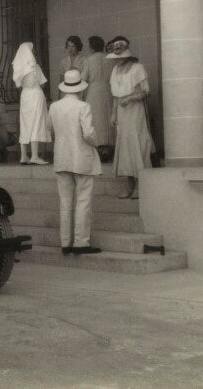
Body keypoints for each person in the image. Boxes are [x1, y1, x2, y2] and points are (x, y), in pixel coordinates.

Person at [49, 69, 102, 255]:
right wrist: (97, 143)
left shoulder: (54, 107)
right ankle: (81, 242)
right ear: (80, 88)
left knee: (65, 202)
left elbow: (50, 128)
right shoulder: (83, 106)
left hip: (62, 157)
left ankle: (65, 242)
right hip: (81, 157)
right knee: (83, 201)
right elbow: (88, 133)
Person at [107, 36, 155, 199]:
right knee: (125, 146)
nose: (117, 59)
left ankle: (142, 186)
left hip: (135, 111)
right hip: (121, 112)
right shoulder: (114, 70)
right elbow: (115, 96)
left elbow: (146, 91)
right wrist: (114, 113)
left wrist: (130, 98)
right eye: (116, 56)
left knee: (138, 144)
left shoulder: (137, 68)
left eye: (120, 56)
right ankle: (129, 185)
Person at [12, 42, 51, 165]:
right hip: (35, 94)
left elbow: (18, 84)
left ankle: (24, 156)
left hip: (25, 95)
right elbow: (43, 83)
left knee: (25, 123)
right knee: (36, 122)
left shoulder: (19, 68)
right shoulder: (35, 67)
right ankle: (34, 156)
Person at [81, 35, 115, 160]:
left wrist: (82, 95)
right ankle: (107, 148)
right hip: (108, 89)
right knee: (107, 117)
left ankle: (99, 148)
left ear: (91, 47)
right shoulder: (110, 59)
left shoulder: (88, 60)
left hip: (94, 90)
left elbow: (84, 78)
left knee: (96, 119)